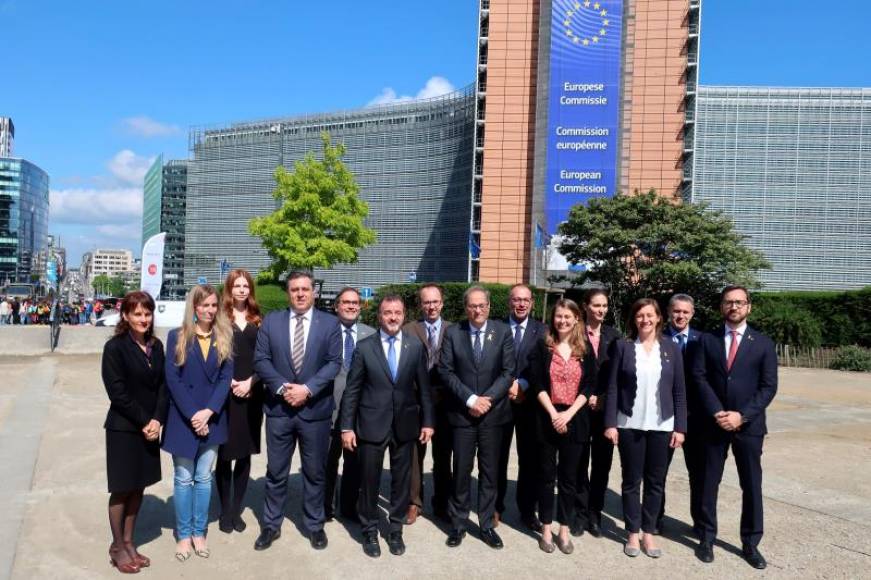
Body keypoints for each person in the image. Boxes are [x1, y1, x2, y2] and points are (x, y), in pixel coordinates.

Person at [340, 295, 435, 558]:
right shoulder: (365, 347)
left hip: (405, 425)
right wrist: (347, 427)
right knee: (369, 481)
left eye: (397, 312)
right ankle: (369, 529)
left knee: (401, 482)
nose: (392, 317)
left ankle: (395, 530)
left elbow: (424, 390)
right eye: (387, 313)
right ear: (379, 316)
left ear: (404, 315)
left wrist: (428, 421)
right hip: (371, 425)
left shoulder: (415, 347)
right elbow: (352, 391)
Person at [254, 271, 342, 551]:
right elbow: (261, 360)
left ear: (314, 291)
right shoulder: (271, 322)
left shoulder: (330, 323)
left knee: (315, 472)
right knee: (276, 472)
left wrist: (307, 389)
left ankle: (314, 525)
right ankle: (271, 524)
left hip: (314, 411)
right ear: (288, 292)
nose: (300, 294)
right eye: (295, 289)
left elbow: (333, 363)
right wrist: (282, 388)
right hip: (280, 411)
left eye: (305, 289)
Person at [693, 285, 777, 569]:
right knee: (708, 483)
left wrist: (742, 416)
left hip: (749, 427)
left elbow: (768, 387)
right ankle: (705, 538)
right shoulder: (707, 340)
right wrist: (718, 412)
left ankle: (751, 542)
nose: (734, 307)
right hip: (713, 425)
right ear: (721, 307)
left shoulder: (763, 343)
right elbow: (699, 378)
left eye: (740, 302)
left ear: (748, 307)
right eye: (729, 302)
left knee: (751, 485)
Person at [604, 298, 687, 558]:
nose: (645, 320)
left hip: (663, 426)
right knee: (631, 481)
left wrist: (680, 427)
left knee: (655, 483)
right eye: (640, 315)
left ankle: (648, 533)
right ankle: (632, 532)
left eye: (650, 315)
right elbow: (613, 386)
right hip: (629, 424)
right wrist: (610, 423)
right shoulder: (624, 346)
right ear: (634, 319)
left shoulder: (671, 348)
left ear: (659, 318)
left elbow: (679, 390)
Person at [438, 286, 514, 549]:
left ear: (489, 307)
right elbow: (445, 371)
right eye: (472, 306)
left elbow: (508, 372)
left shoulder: (502, 332)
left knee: (490, 472)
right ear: (465, 307)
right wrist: (470, 400)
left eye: (481, 305)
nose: (477, 310)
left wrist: (486, 401)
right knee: (461, 471)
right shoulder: (453, 333)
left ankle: (486, 525)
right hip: (462, 414)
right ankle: (458, 524)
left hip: (493, 415)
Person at [163, 284, 234, 561]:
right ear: (194, 307)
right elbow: (173, 378)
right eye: (204, 305)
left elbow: (225, 379)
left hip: (212, 419)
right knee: (183, 479)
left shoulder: (224, 336)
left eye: (214, 305)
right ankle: (183, 535)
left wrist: (208, 412)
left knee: (204, 478)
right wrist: (194, 414)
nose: (209, 310)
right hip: (183, 418)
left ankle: (199, 532)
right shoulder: (177, 337)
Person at [101, 291, 168, 573]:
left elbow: (164, 386)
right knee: (122, 488)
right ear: (126, 316)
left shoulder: (156, 345)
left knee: (138, 486)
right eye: (137, 314)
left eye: (147, 313)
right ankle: (117, 547)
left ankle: (130, 543)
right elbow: (117, 393)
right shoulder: (115, 348)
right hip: (124, 428)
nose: (143, 319)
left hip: (150, 428)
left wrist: (158, 420)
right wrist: (144, 421)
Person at [527, 299, 597, 554]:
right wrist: (554, 413)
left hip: (575, 420)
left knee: (569, 479)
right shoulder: (542, 347)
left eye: (568, 316)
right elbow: (536, 383)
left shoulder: (585, 349)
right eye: (559, 316)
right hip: (547, 417)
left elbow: (590, 384)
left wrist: (568, 414)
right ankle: (546, 527)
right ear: (552, 318)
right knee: (546, 478)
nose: (563, 321)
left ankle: (564, 528)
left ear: (577, 318)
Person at [216, 269, 264, 534]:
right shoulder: (220, 318)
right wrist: (229, 384)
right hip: (226, 396)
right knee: (224, 454)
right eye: (237, 286)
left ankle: (236, 509)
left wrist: (252, 382)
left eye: (246, 286)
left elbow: (266, 358)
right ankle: (224, 510)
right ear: (229, 288)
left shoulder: (259, 319)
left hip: (253, 394)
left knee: (245, 454)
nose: (242, 290)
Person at [496, 283, 547, 530]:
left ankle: (528, 511)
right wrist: (507, 385)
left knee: (530, 460)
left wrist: (523, 384)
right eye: (516, 299)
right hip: (501, 402)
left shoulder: (544, 331)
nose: (521, 304)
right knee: (496, 457)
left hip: (529, 404)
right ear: (509, 302)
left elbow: (543, 366)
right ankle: (495, 507)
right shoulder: (496, 328)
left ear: (532, 303)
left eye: (525, 300)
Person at [402, 283, 452, 523]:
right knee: (414, 454)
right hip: (416, 401)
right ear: (420, 304)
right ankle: (414, 501)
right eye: (426, 302)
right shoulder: (408, 329)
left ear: (442, 303)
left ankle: (442, 502)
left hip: (446, 402)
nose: (431, 306)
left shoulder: (454, 330)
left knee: (443, 455)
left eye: (435, 301)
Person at [324, 287, 375, 522]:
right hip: (327, 409)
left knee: (353, 464)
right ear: (337, 306)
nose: (352, 306)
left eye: (356, 302)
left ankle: (348, 507)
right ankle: (325, 507)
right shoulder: (323, 333)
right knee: (327, 461)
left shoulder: (371, 335)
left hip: (358, 413)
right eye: (346, 302)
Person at [575, 288, 622, 537]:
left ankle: (595, 515)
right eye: (596, 305)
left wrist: (603, 397)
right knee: (579, 464)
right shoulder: (573, 333)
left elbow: (618, 373)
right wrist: (586, 397)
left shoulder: (614, 336)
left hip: (605, 410)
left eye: (604, 305)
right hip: (579, 409)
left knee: (602, 465)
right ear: (585, 306)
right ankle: (580, 513)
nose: (601, 310)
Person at [656, 293, 703, 535]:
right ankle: (656, 518)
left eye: (685, 312)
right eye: (676, 311)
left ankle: (699, 522)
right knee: (658, 472)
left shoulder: (703, 341)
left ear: (692, 314)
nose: (681, 316)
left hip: (696, 419)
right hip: (663, 416)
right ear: (668, 313)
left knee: (698, 474)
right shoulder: (657, 340)